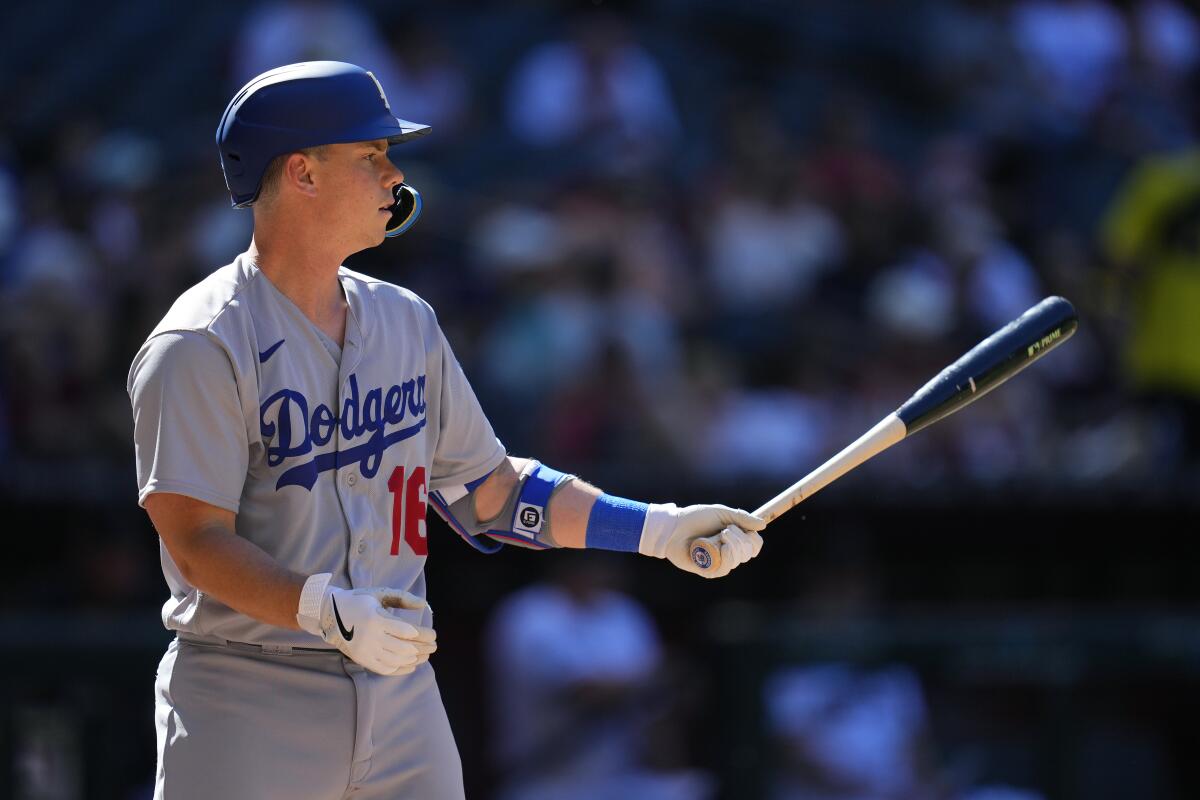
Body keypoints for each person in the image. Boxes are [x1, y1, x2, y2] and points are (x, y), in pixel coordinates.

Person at [127, 61, 765, 800]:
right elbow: (196, 541)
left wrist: (658, 530)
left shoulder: (406, 320)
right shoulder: (200, 344)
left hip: (401, 696)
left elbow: (490, 492)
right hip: (250, 691)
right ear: (301, 172)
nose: (394, 176)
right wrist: (323, 610)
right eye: (371, 156)